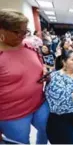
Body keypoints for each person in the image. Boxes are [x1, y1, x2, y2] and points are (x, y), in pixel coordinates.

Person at [0, 10, 49, 144]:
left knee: (47, 130)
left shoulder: (29, 47)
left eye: (25, 31)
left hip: (39, 103)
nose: (22, 35)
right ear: (2, 30)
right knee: (21, 142)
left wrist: (44, 72)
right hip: (13, 114)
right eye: (17, 32)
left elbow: (40, 65)